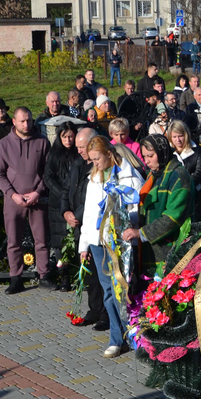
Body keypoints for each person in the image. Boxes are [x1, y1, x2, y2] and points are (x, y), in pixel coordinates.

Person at [78, 136, 144, 357]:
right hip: (99, 242)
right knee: (108, 290)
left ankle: (134, 334)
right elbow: (88, 213)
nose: (94, 163)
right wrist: (83, 244)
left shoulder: (128, 176)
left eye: (97, 158)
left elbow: (136, 208)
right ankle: (116, 337)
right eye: (92, 159)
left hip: (120, 242)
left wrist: (123, 221)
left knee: (124, 288)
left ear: (109, 153)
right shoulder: (93, 178)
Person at [0, 106, 53, 294]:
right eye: (22, 121)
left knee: (41, 240)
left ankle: (44, 276)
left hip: (37, 199)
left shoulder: (42, 142)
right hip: (14, 200)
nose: (27, 124)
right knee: (14, 241)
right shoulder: (3, 145)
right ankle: (16, 278)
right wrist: (12, 194)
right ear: (14, 122)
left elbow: (48, 171)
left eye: (29, 120)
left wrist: (38, 192)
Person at [120, 134, 193, 278]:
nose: (146, 161)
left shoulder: (179, 176)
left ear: (162, 152)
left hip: (170, 250)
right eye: (144, 156)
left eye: (151, 156)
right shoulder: (154, 175)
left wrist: (140, 233)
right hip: (150, 251)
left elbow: (172, 217)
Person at [60, 127, 107, 328]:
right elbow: (66, 190)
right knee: (88, 271)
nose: (78, 150)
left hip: (91, 225)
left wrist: (76, 216)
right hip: (79, 225)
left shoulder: (99, 167)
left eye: (82, 147)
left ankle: (105, 313)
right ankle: (94, 308)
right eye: (78, 146)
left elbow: (93, 202)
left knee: (100, 272)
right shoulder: (78, 164)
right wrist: (65, 211)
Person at [43, 122, 80, 291]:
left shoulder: (78, 153)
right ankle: (64, 276)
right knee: (59, 243)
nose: (68, 140)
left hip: (75, 201)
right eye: (64, 137)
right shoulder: (54, 153)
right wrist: (62, 193)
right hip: (57, 202)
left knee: (78, 239)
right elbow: (48, 177)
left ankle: (80, 275)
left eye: (71, 136)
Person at [167, 120, 201, 192]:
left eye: (180, 136)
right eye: (174, 137)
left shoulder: (197, 150)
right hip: (172, 192)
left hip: (193, 191)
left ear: (186, 135)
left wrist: (185, 186)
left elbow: (199, 172)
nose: (177, 140)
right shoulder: (168, 152)